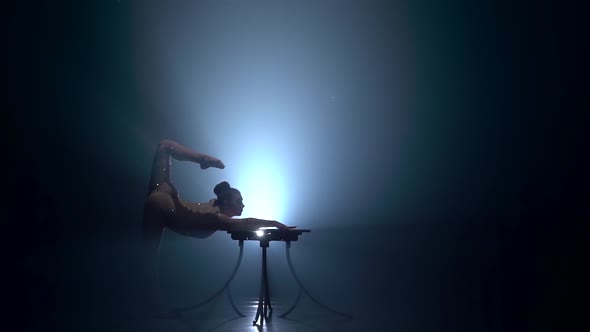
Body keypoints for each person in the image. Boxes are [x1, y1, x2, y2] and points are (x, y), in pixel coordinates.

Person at [142, 139, 291, 317]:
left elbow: (243, 221)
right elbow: (246, 222)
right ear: (226, 202)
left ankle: (203, 159)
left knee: (165, 146)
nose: (243, 204)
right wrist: (274, 223)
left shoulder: (213, 212)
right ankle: (156, 311)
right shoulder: (217, 218)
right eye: (239, 201)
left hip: (165, 193)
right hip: (167, 208)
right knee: (148, 262)